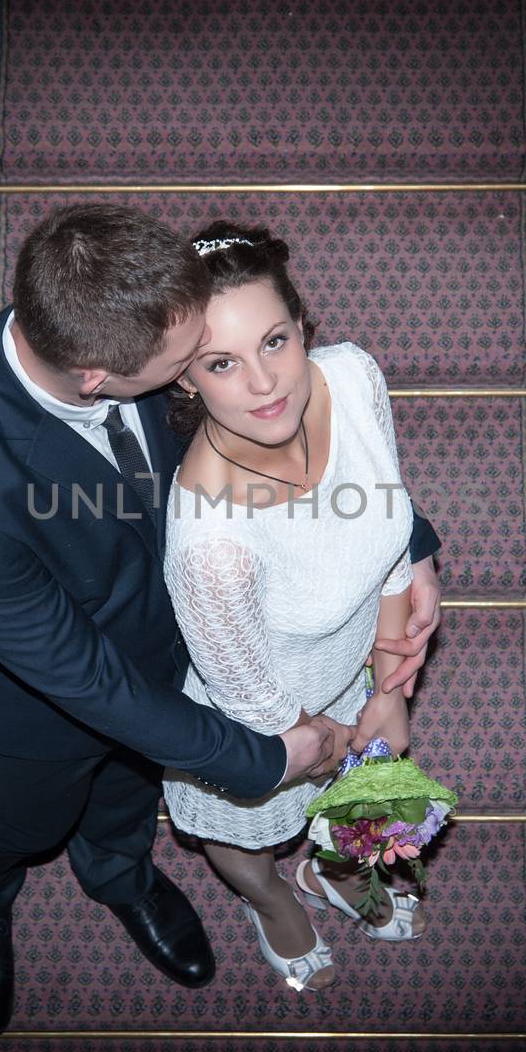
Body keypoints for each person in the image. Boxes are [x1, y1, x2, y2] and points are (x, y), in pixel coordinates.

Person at [0, 204, 444, 1033]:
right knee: (22, 815)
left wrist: (414, 543)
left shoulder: (109, 311)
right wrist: (256, 757)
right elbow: (78, 674)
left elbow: (323, 459)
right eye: (193, 363)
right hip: (42, 700)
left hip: (178, 648)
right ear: (95, 376)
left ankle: (119, 874)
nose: (215, 374)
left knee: (122, 798)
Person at [161, 222, 432, 991]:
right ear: (186, 379)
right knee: (245, 832)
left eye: (274, 342)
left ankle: (337, 873)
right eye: (221, 363)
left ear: (303, 325)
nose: (264, 383)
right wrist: (355, 741)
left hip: (355, 664)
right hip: (260, 710)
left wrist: (389, 684)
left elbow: (388, 526)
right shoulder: (210, 538)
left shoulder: (351, 376)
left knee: (373, 793)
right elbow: (253, 702)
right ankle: (273, 895)